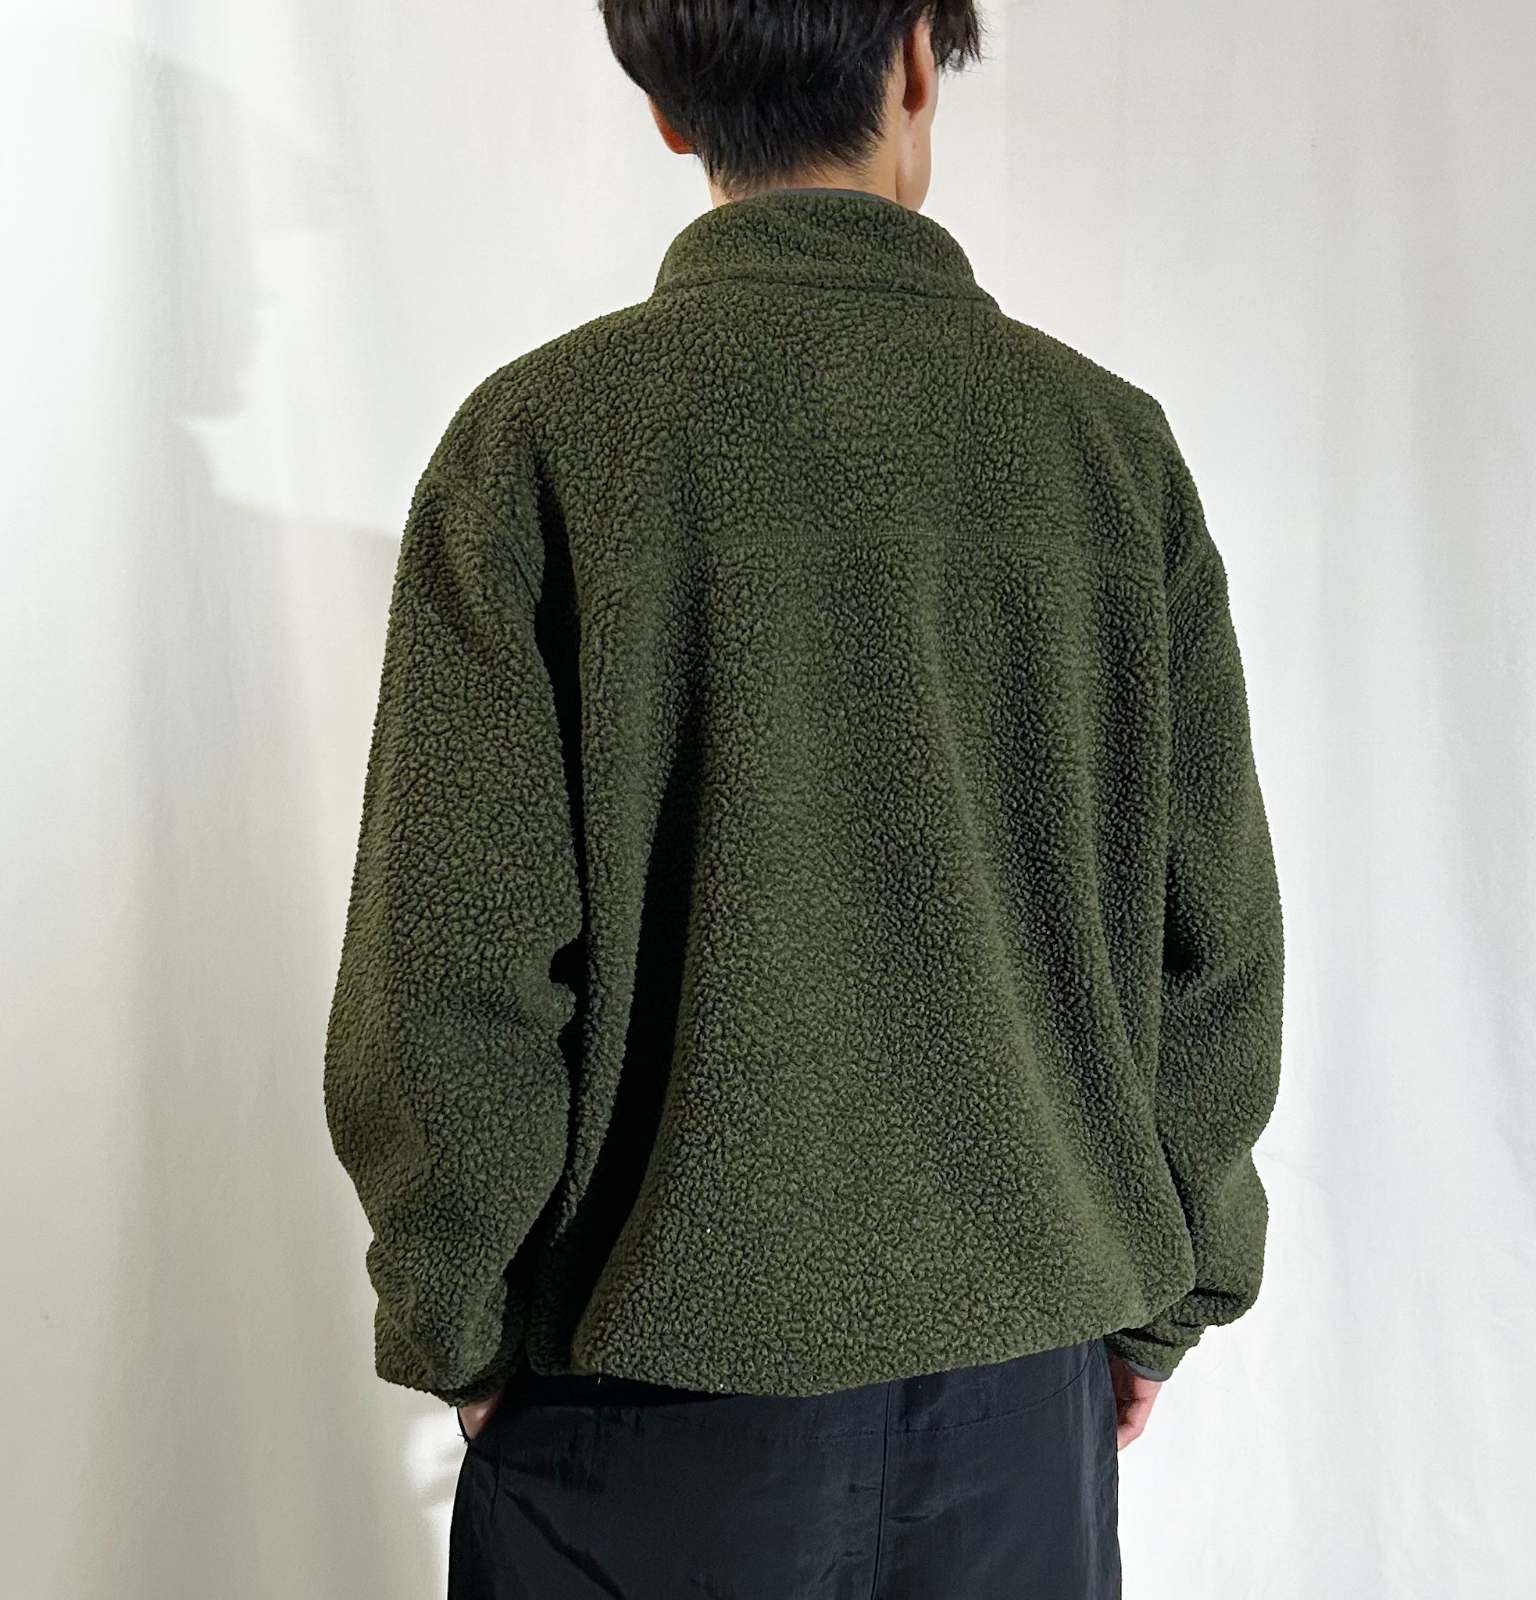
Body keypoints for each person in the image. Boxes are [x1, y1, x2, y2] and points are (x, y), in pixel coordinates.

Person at [321, 2, 1285, 1595]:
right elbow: (1218, 950)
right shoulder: (1107, 452)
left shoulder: (541, 441)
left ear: (665, 107)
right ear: (914, 56)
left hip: (638, 1403)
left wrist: (459, 1324)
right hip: (1021, 1401)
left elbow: (453, 968)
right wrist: (1168, 1296)